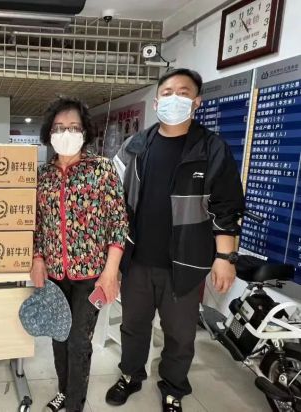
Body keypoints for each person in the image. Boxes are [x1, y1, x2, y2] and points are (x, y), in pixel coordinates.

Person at [105, 68, 244, 412]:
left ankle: (174, 387)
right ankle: (130, 375)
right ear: (156, 102)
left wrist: (225, 258)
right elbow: (111, 199)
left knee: (180, 334)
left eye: (183, 93)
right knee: (133, 326)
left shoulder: (211, 148)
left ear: (197, 102)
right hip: (137, 260)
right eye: (167, 93)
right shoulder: (135, 146)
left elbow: (226, 207)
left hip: (186, 261)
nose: (174, 99)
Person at [31, 97, 129, 412]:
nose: (66, 133)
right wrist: (37, 259)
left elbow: (119, 224)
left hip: (91, 275)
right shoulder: (43, 175)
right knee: (58, 336)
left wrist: (111, 272)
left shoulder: (102, 170)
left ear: (84, 132)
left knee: (78, 341)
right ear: (49, 133)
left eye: (73, 127)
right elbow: (37, 223)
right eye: (59, 127)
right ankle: (64, 391)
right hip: (54, 274)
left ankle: (75, 404)